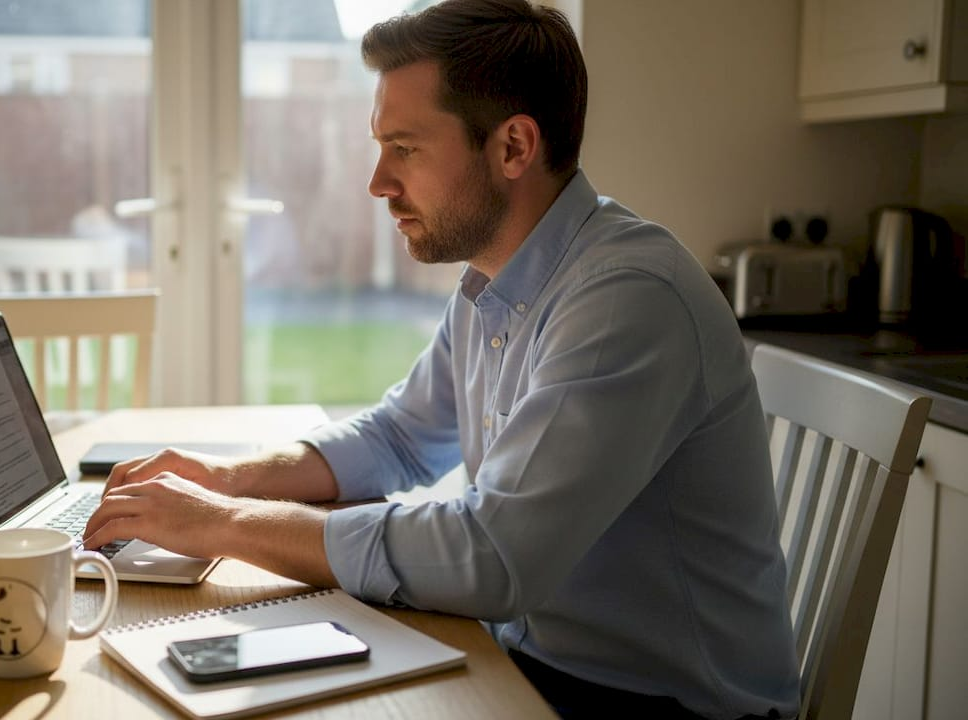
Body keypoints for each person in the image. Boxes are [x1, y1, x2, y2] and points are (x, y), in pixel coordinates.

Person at [82, 1, 800, 717]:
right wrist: (225, 478)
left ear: (514, 146)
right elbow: (398, 436)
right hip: (534, 662)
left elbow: (489, 558)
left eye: (406, 148)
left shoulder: (626, 301)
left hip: (662, 704)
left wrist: (219, 522)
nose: (378, 183)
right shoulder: (495, 283)